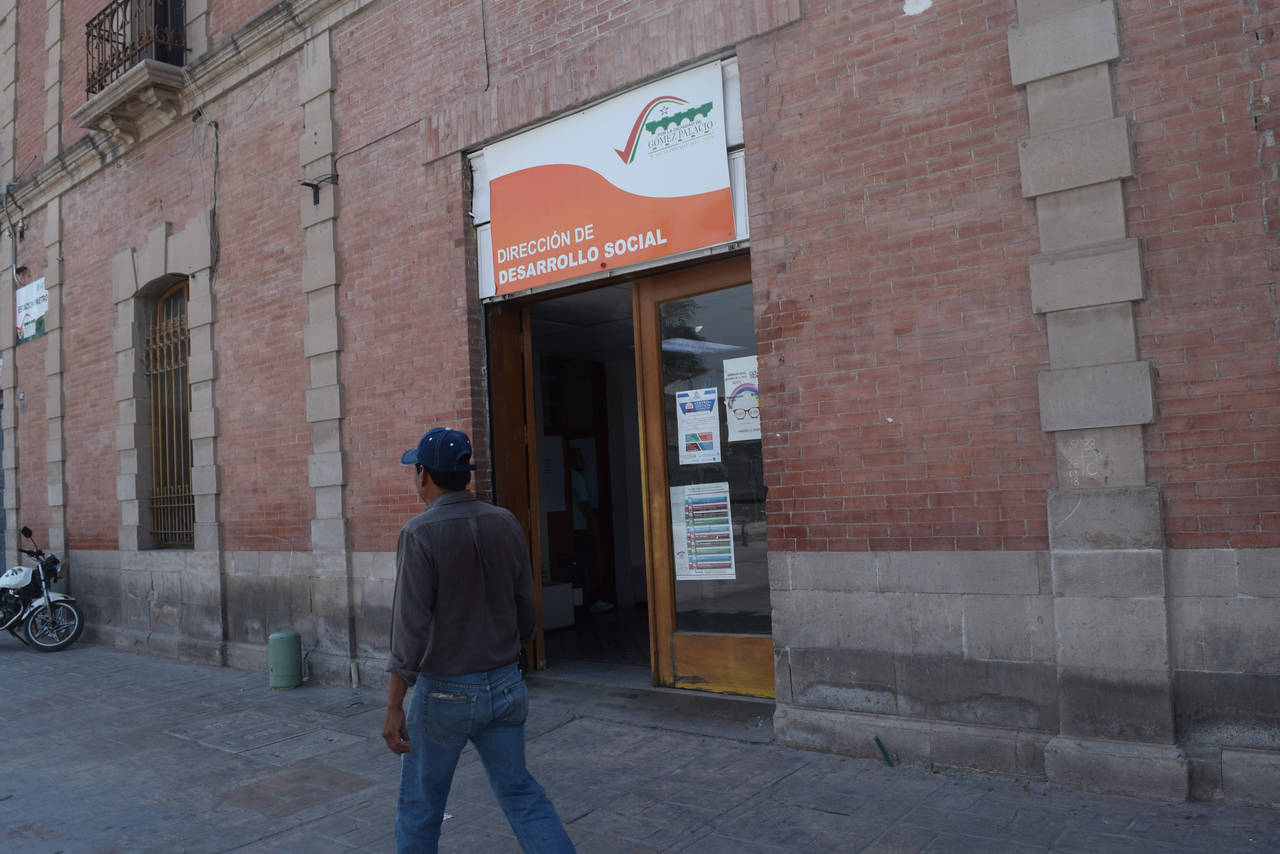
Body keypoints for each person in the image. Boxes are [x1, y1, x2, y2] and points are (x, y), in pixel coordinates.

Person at [383, 426, 576, 853]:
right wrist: (512, 651)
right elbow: (526, 604)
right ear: (465, 474)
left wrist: (394, 704)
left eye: (416, 470)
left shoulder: (419, 532)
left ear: (424, 474)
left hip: (444, 693)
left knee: (421, 805)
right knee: (521, 794)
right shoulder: (504, 522)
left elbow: (409, 628)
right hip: (505, 684)